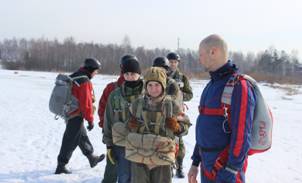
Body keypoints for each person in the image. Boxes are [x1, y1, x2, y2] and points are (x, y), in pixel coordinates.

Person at [188, 34, 256, 183]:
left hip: (226, 170)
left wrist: (231, 169)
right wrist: (195, 162)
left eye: (201, 54)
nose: (199, 58)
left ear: (213, 52)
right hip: (207, 167)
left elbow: (242, 135)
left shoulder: (239, 86)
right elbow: (204, 129)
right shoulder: (210, 85)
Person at [127, 67, 190, 183]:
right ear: (145, 86)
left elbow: (185, 128)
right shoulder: (137, 105)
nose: (153, 89)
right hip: (140, 157)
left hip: (163, 157)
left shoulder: (171, 105)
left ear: (163, 86)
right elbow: (128, 126)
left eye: (157, 85)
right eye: (150, 85)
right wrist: (131, 125)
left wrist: (177, 127)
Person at [55, 58, 105, 174]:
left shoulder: (75, 75)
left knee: (81, 136)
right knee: (69, 140)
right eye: (96, 71)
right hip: (76, 114)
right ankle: (61, 165)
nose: (96, 73)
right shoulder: (84, 80)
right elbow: (86, 103)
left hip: (69, 112)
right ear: (91, 69)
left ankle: (92, 157)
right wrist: (90, 120)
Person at [103, 57, 143, 183]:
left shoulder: (148, 94)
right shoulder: (115, 95)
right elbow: (108, 120)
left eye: (133, 74)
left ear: (139, 74)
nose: (130, 77)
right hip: (121, 145)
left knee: (140, 178)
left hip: (143, 144)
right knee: (124, 177)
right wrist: (109, 144)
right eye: (127, 74)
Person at [167, 52, 193, 178]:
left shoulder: (182, 77)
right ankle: (168, 166)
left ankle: (179, 166)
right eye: (170, 61)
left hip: (178, 110)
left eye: (174, 62)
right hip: (164, 109)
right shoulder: (163, 74)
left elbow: (190, 95)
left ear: (178, 63)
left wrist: (180, 92)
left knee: (178, 138)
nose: (172, 64)